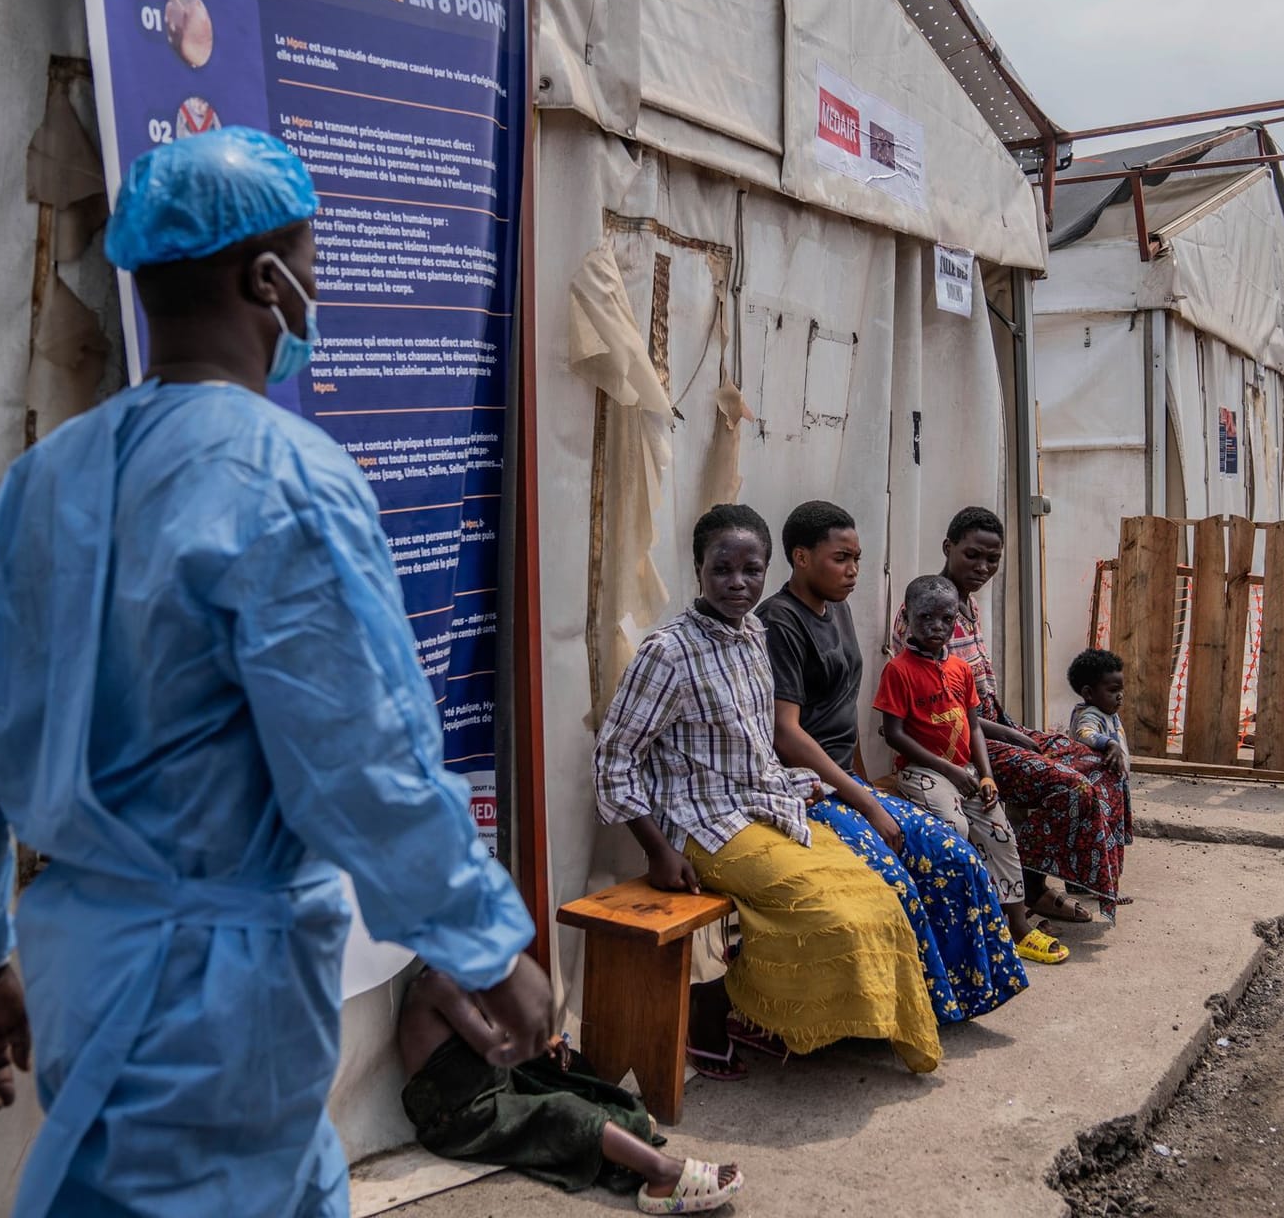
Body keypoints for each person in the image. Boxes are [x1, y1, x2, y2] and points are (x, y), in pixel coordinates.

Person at [0, 128, 550, 1218]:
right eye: (312, 264)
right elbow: (364, 755)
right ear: (265, 279)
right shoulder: (287, 479)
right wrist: (480, 940)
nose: (315, 293)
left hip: (86, 959)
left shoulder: (46, 480)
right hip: (215, 995)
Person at [593, 504, 941, 1081]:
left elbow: (756, 744)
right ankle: (730, 1013)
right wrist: (658, 849)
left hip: (767, 806)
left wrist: (804, 787)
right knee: (834, 917)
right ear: (698, 568)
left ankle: (764, 1016)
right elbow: (614, 759)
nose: (737, 583)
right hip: (703, 827)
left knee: (877, 895)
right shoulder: (668, 652)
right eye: (721, 569)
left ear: (767, 569)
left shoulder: (754, 634)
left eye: (751, 570)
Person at [760, 501, 1029, 1026]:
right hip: (805, 790)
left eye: (858, 558)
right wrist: (867, 802)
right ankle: (904, 1012)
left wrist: (864, 781)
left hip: (846, 781)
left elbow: (843, 715)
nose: (854, 571)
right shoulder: (780, 623)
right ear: (800, 557)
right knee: (900, 876)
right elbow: (786, 735)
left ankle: (963, 993)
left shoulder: (834, 607)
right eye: (842, 558)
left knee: (957, 856)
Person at [896, 506, 1129, 923]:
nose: (983, 567)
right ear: (948, 548)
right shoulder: (927, 614)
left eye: (993, 560)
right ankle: (1031, 889)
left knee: (1100, 765)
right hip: (965, 738)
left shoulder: (967, 607)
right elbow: (939, 706)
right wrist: (1010, 736)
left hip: (995, 724)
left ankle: (1077, 879)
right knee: (1073, 785)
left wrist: (1013, 730)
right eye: (972, 555)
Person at [398, 968, 743, 1215]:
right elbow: (494, 1043)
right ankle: (663, 1174)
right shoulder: (438, 983)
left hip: (496, 1084)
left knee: (572, 1070)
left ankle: (618, 1141)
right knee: (562, 1109)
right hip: (462, 1119)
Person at [876, 575, 1069, 966]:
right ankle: (969, 922)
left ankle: (1016, 927)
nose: (935, 627)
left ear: (956, 621)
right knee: (955, 829)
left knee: (1000, 834)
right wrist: (950, 769)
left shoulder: (962, 669)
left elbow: (974, 725)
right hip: (921, 770)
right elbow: (893, 734)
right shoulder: (899, 670)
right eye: (924, 617)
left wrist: (985, 775)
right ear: (907, 619)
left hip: (965, 770)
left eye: (945, 619)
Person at [1066, 648, 1133, 852]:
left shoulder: (1108, 713)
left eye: (1121, 690)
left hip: (1110, 789)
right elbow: (1084, 733)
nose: (1120, 696)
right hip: (1096, 791)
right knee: (1095, 837)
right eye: (1113, 691)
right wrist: (1109, 743)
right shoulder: (1090, 715)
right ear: (1088, 693)